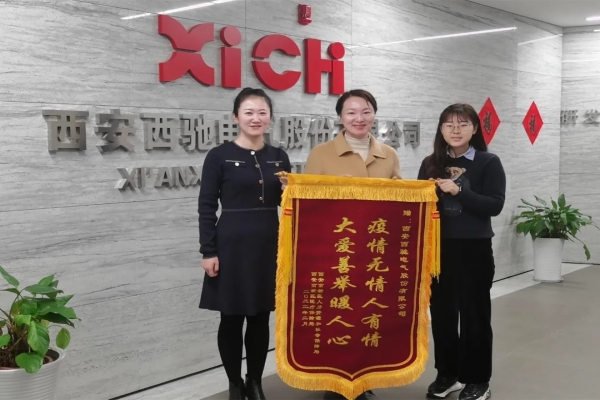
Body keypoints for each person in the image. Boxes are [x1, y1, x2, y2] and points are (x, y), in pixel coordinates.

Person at [303, 89, 401, 400]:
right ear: (340, 117)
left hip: (374, 253)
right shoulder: (321, 154)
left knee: (368, 313)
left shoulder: (389, 154)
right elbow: (307, 203)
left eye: (366, 111)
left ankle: (364, 378)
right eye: (351, 112)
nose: (359, 118)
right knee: (337, 315)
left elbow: (400, 202)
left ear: (374, 115)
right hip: (334, 251)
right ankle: (334, 381)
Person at [198, 87, 291, 400]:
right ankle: (235, 384)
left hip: (268, 244)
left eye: (262, 112)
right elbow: (206, 206)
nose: (256, 118)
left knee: (260, 316)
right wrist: (208, 251)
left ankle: (255, 381)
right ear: (235, 117)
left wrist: (289, 191)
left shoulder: (279, 156)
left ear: (270, 118)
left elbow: (287, 206)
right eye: (249, 112)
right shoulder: (219, 156)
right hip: (231, 245)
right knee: (231, 317)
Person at [417, 104, 506, 400]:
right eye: (449, 124)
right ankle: (448, 374)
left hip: (474, 249)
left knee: (474, 316)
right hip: (438, 251)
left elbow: (495, 205)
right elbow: (419, 205)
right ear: (441, 129)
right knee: (442, 315)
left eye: (463, 124)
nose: (455, 130)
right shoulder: (431, 162)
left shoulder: (488, 162)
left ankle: (478, 380)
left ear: (475, 129)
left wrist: (460, 192)